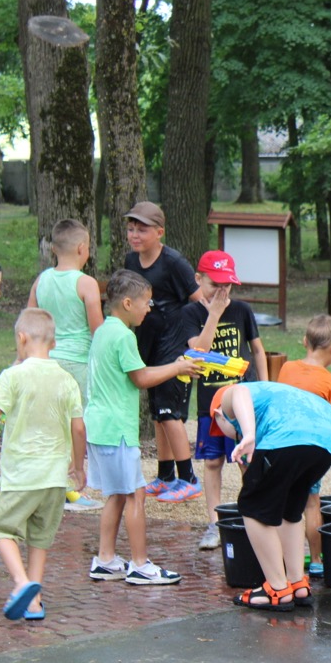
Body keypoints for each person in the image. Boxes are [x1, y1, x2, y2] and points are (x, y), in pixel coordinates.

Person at [85, 271, 200, 585]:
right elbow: (141, 378)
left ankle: (105, 559)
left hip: (99, 427)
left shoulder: (103, 331)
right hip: (116, 429)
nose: (149, 309)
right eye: (146, 303)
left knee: (116, 495)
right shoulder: (123, 336)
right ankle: (140, 565)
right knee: (135, 494)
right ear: (126, 303)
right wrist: (178, 367)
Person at [209, 382, 331, 611]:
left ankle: (277, 589)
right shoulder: (278, 393)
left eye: (220, 428)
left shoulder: (226, 400)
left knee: (252, 505)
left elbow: (239, 393)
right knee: (290, 510)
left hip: (288, 434)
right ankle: (297, 582)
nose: (227, 435)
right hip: (327, 440)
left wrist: (248, 434)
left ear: (219, 415)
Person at [0, 309, 86, 620]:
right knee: (39, 539)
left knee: (0, 528)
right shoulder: (67, 378)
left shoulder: (13, 376)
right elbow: (78, 428)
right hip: (55, 478)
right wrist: (79, 466)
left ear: (21, 338)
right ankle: (34, 603)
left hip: (21, 474)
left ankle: (21, 584)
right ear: (53, 342)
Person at [176, 250, 267, 550]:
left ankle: (253, 518)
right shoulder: (190, 314)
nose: (222, 291)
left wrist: (265, 387)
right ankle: (214, 524)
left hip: (243, 402)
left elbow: (257, 350)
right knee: (213, 461)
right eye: (215, 284)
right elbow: (198, 353)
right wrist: (213, 313)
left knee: (246, 460)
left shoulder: (241, 310)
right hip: (210, 403)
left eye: (227, 284)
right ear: (198, 279)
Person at [123, 201, 203, 503]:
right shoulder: (131, 261)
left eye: (141, 229)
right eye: (131, 229)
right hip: (148, 344)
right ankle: (166, 474)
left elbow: (200, 303)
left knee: (170, 413)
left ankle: (189, 478)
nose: (134, 234)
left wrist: (193, 341)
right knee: (158, 413)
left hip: (175, 347)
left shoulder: (174, 263)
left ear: (159, 232)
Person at [27, 219, 105, 512]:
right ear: (83, 248)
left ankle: (47, 483)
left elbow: (30, 319)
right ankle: (72, 486)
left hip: (45, 359)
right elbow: (97, 328)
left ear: (54, 249)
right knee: (75, 423)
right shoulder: (86, 283)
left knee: (49, 424)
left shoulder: (41, 280)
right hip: (77, 362)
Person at [275, 314, 331, 576]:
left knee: (282, 504)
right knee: (311, 503)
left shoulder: (287, 368)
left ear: (305, 341)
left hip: (281, 445)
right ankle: (316, 561)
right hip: (311, 450)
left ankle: (283, 558)